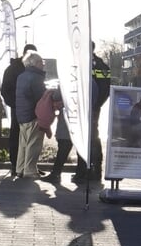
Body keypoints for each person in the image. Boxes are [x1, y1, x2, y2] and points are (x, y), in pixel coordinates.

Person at [0, 43, 35, 176]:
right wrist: (15, 104)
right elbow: (5, 90)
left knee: (31, 138)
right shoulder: (13, 69)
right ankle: (15, 165)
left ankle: (29, 165)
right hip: (18, 109)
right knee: (17, 136)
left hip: (32, 109)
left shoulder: (34, 68)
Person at [13, 50, 47, 181]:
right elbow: (41, 98)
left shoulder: (22, 76)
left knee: (23, 144)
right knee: (34, 143)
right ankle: (30, 170)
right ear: (35, 63)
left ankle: (20, 169)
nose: (43, 64)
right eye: (41, 62)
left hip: (22, 114)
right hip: (33, 115)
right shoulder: (37, 77)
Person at [80, 45, 111, 183]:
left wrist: (95, 106)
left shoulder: (100, 66)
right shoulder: (79, 63)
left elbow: (105, 89)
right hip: (81, 107)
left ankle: (95, 171)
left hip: (92, 108)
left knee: (92, 137)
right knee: (81, 136)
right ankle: (81, 171)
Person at [44, 83, 74, 187]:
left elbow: (56, 96)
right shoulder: (87, 80)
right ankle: (82, 174)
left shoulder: (66, 80)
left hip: (67, 116)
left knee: (64, 144)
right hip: (82, 117)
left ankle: (56, 174)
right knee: (80, 146)